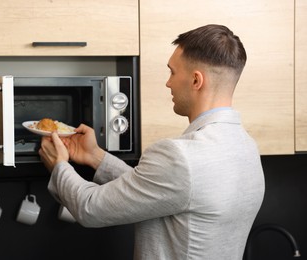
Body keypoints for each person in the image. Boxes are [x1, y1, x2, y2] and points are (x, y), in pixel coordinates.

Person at [39, 24, 265, 260]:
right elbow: (161, 190)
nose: (168, 83)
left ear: (196, 80)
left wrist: (59, 166)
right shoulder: (246, 147)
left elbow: (90, 208)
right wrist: (96, 157)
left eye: (172, 72)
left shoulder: (180, 156)